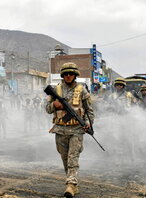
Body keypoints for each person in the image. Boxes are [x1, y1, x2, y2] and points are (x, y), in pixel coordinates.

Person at [45, 62, 94, 198]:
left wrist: (89, 124)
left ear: (75, 75)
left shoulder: (82, 90)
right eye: (65, 74)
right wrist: (54, 104)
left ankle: (71, 184)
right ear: (62, 75)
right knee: (65, 158)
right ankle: (72, 183)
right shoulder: (56, 90)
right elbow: (47, 108)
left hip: (76, 129)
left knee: (73, 158)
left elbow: (90, 111)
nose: (68, 76)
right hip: (60, 129)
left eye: (70, 74)